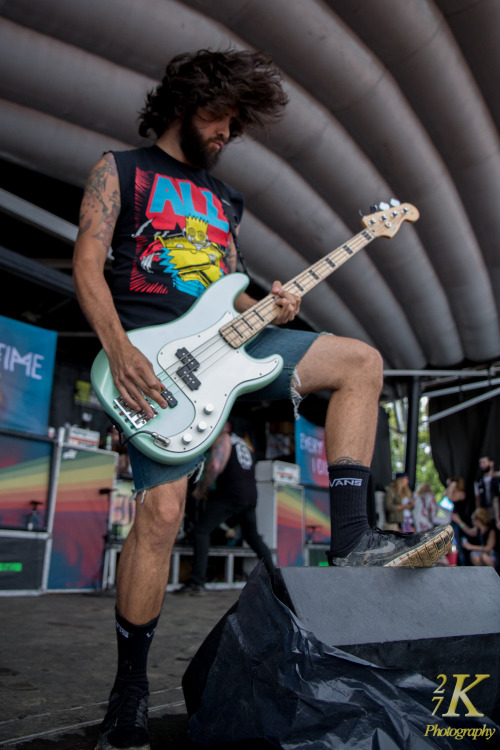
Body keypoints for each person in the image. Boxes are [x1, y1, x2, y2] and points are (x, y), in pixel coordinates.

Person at [72, 48, 453, 750]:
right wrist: (121, 350)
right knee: (160, 511)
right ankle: (128, 689)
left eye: (237, 127)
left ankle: (353, 538)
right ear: (188, 103)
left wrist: (271, 305)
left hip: (233, 352)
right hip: (153, 364)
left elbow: (228, 290)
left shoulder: (224, 201)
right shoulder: (118, 171)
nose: (227, 135)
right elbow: (87, 266)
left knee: (361, 362)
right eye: (222, 120)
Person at [175, 422, 274, 594]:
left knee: (201, 530)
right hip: (250, 495)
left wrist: (201, 489)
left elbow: (214, 466)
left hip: (231, 494)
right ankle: (275, 578)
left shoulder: (223, 439)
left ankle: (197, 582)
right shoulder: (243, 443)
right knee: (252, 536)